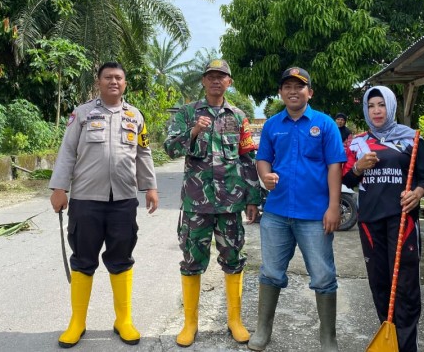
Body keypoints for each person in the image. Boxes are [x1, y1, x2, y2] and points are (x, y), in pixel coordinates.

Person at [49, 62, 159, 348]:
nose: (114, 81)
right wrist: (59, 188)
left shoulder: (135, 116)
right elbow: (67, 152)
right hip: (86, 199)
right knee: (83, 259)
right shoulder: (82, 114)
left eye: (119, 78)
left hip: (123, 200)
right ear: (98, 82)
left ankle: (123, 320)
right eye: (108, 77)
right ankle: (78, 322)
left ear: (125, 83)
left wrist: (151, 188)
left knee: (122, 257)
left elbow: (144, 154)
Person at [164, 58, 261, 347]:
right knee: (192, 261)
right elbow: (169, 148)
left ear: (229, 82)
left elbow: (247, 158)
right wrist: (193, 131)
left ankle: (235, 320)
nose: (216, 81)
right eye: (211, 76)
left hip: (231, 205)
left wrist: (253, 198)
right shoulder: (187, 113)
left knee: (233, 260)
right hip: (196, 205)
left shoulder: (238, 116)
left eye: (222, 76)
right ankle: (190, 323)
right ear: (204, 81)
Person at [248, 67, 344, 352]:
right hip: (276, 214)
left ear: (309, 92)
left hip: (315, 215)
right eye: (287, 86)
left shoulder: (325, 124)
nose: (293, 91)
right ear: (281, 92)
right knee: (271, 273)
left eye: (299, 86)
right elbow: (263, 159)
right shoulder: (272, 125)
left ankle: (328, 338)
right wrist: (265, 177)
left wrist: (334, 206)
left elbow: (334, 166)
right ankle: (263, 330)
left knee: (323, 276)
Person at [342, 85, 424, 352]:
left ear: (391, 106)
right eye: (371, 106)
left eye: (381, 104)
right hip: (370, 222)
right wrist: (359, 167)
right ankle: (388, 337)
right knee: (380, 283)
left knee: (405, 285)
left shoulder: (412, 139)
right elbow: (347, 179)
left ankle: (407, 346)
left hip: (402, 220)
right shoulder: (356, 143)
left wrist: (417, 193)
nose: (376, 110)